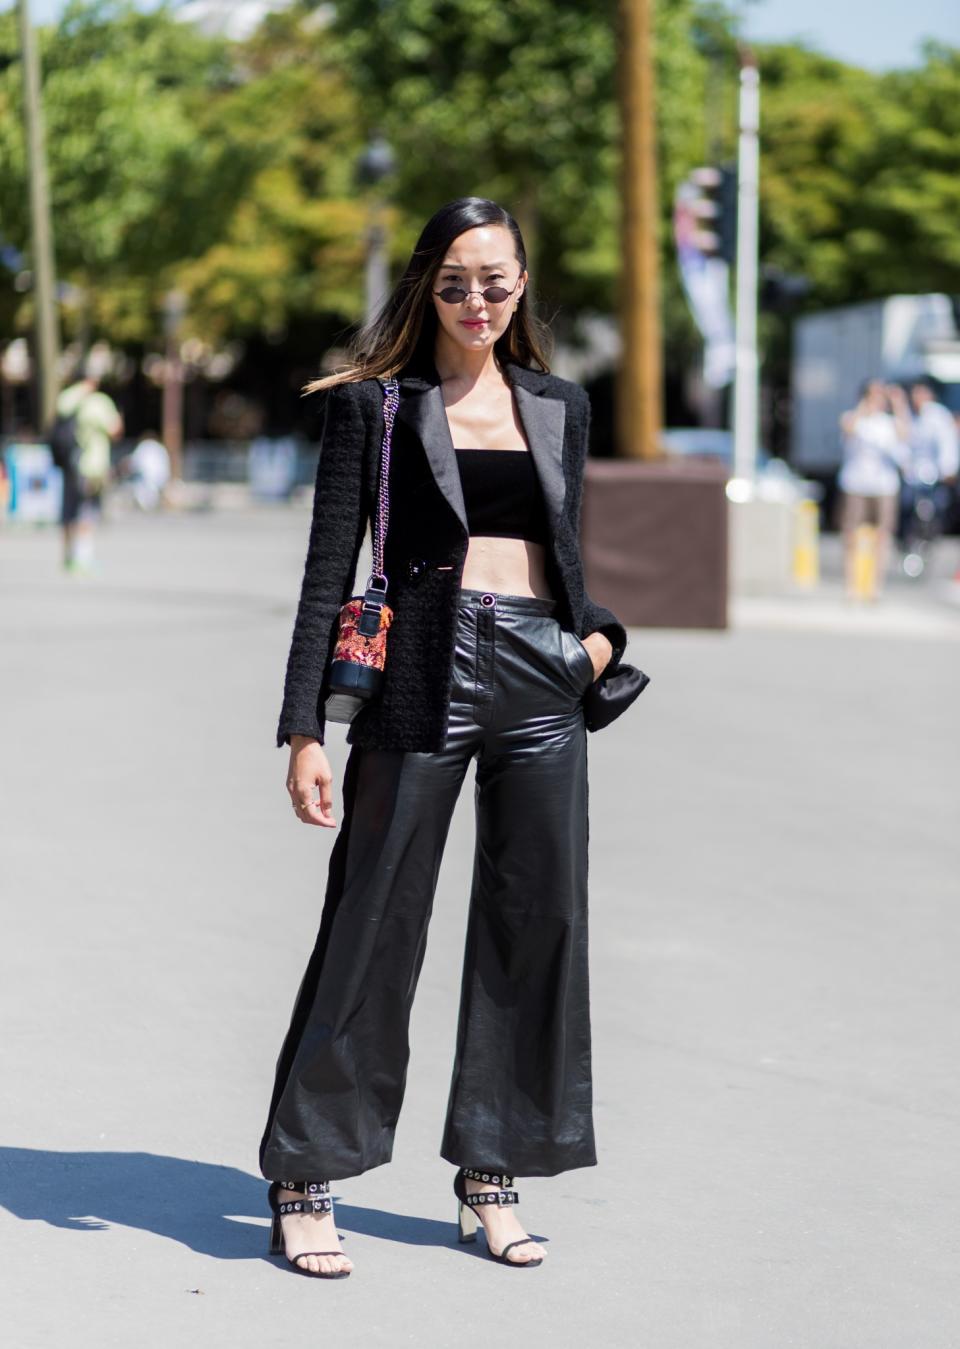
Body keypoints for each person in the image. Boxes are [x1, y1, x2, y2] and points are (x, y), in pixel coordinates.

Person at [259, 197, 635, 1278]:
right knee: (373, 918)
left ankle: (492, 1170)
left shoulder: (558, 404)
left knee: (539, 918)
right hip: (420, 672)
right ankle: (307, 1170)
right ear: (429, 283)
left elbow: (566, 554)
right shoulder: (374, 408)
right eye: (460, 279)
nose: (479, 300)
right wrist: (305, 730)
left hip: (539, 676)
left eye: (499, 280)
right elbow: (328, 572)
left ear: (523, 285)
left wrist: (593, 647)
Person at [837, 379, 911, 598]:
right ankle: (851, 586)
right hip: (855, 483)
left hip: (884, 486)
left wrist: (898, 403)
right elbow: (848, 428)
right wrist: (864, 405)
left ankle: (876, 587)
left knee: (883, 536)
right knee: (851, 535)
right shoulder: (853, 417)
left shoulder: (888, 422)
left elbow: (905, 434)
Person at [56, 372, 123, 571]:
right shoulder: (98, 402)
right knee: (87, 510)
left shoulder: (68, 400)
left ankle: (68, 557)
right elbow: (115, 430)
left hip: (69, 463)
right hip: (92, 466)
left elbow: (59, 409)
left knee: (69, 511)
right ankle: (83, 558)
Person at [118, 430, 171, 511]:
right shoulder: (161, 448)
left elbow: (134, 463)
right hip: (160, 479)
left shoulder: (144, 446)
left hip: (146, 480)